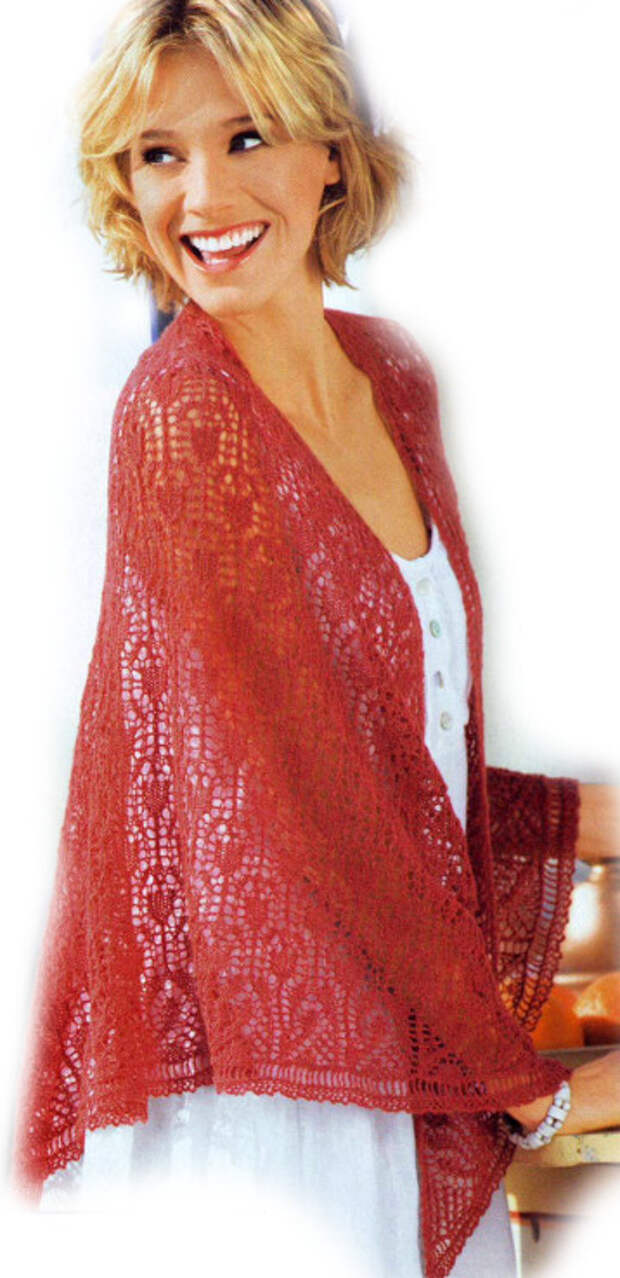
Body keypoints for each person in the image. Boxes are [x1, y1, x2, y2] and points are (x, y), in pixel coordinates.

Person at [11, 3, 620, 1276]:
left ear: (330, 153)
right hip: (272, 1095)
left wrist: (586, 822)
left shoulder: (390, 376)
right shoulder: (182, 415)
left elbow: (395, 768)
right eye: (158, 154)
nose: (201, 196)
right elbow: (310, 802)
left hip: (404, 1038)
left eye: (247, 137)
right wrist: (525, 1086)